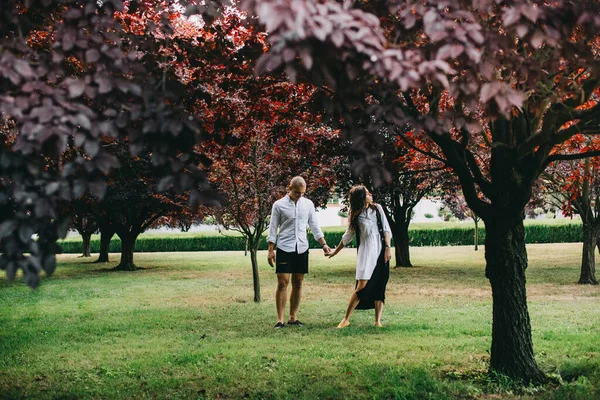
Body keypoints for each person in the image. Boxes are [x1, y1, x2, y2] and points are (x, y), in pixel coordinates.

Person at [267, 176, 332, 329]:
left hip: (302, 247)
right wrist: (271, 250)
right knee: (283, 282)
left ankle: (293, 317)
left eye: (302, 193)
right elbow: (272, 228)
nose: (299, 195)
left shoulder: (308, 204)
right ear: (289, 188)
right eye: (297, 192)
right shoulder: (279, 205)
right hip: (284, 247)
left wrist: (324, 244)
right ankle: (280, 319)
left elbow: (314, 225)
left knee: (298, 282)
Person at [328, 185, 392, 328]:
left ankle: (377, 321)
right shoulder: (355, 214)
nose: (371, 195)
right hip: (366, 253)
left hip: (381, 252)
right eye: (368, 193)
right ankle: (346, 319)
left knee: (380, 286)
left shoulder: (377, 209)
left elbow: (386, 229)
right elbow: (347, 236)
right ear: (361, 197)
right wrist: (335, 252)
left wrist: (387, 248)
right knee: (361, 286)